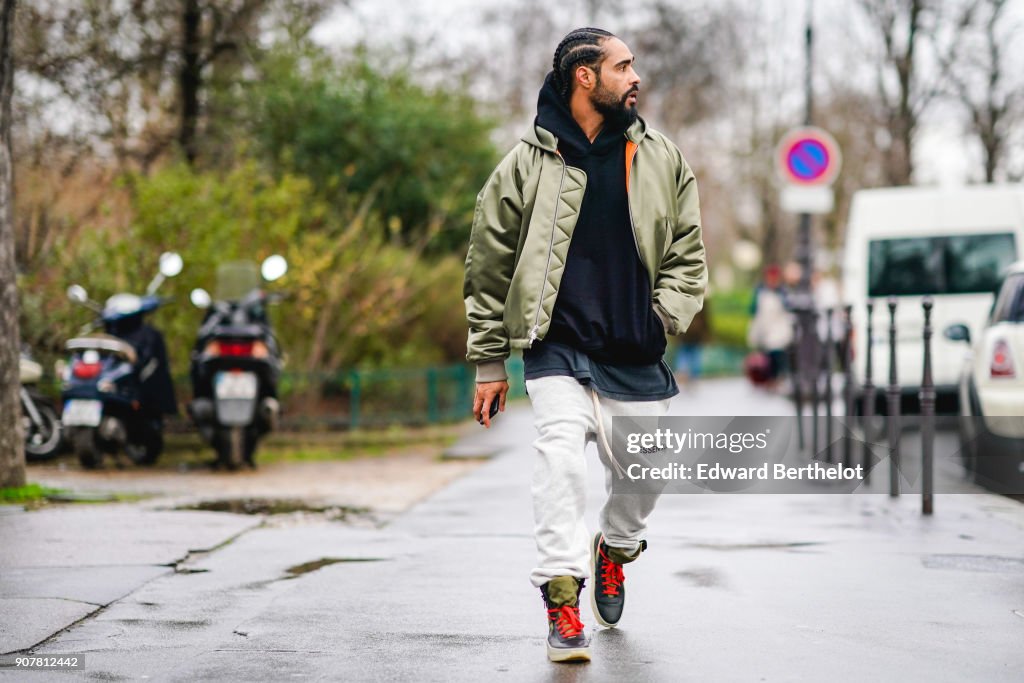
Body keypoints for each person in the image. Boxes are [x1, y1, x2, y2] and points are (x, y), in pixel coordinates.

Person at [463, 27, 706, 662]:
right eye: (623, 67)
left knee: (646, 476)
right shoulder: (525, 164)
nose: (636, 78)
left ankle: (615, 549)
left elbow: (688, 255)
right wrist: (491, 363)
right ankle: (562, 600)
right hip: (556, 349)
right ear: (585, 76)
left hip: (635, 348)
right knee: (560, 463)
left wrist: (660, 320)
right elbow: (487, 266)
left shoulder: (662, 157)